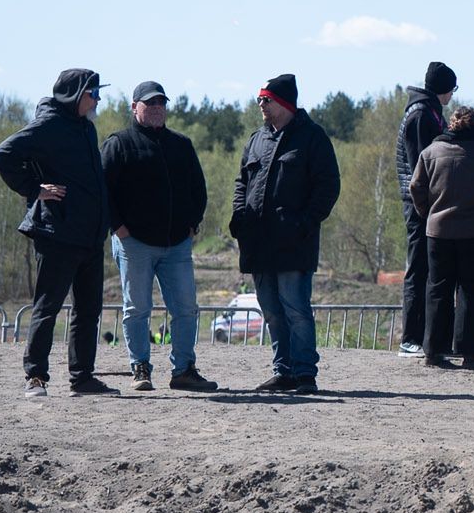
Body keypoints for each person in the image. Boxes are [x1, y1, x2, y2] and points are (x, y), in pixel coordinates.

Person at [0, 68, 117, 397]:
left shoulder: (86, 128)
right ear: (75, 94)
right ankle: (35, 377)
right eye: (93, 93)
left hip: (90, 236)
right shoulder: (48, 125)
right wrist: (35, 188)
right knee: (47, 308)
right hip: (58, 233)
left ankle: (83, 378)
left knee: (88, 311)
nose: (98, 100)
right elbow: (4, 154)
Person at [101, 80, 216, 391]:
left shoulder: (181, 145)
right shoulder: (119, 143)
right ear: (134, 107)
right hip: (133, 242)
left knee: (186, 308)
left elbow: (198, 191)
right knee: (136, 309)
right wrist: (119, 228)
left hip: (177, 244)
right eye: (149, 103)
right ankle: (140, 368)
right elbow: (103, 191)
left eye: (160, 103)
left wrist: (192, 225)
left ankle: (184, 370)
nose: (155, 108)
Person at [229, 74, 340, 393]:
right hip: (258, 242)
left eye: (267, 100)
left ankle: (305, 373)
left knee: (296, 309)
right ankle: (284, 371)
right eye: (260, 100)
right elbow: (241, 183)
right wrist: (239, 216)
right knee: (272, 311)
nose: (261, 105)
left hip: (294, 242)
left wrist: (305, 222)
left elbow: (328, 185)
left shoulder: (312, 137)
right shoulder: (256, 139)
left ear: (285, 103)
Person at [409, 105, 474, 369]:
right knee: (472, 290)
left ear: (451, 124)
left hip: (438, 231)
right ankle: (471, 352)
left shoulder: (431, 152)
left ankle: (433, 350)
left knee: (437, 289)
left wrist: (428, 212)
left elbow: (416, 187)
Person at [395, 61, 456, 356]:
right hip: (419, 205)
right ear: (444, 89)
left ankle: (427, 337)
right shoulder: (421, 114)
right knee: (418, 269)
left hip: (429, 204)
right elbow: (424, 163)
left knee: (429, 270)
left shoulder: (429, 110)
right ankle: (410, 337)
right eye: (452, 89)